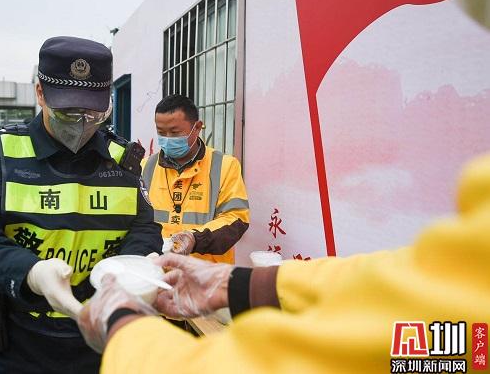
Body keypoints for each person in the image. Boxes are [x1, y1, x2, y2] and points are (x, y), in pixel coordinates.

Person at [76, 153, 490, 373]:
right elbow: (416, 286)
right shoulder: (462, 333)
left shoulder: (463, 339)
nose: (168, 139)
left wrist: (123, 324)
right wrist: (241, 285)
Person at [0, 36, 162, 374]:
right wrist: (30, 272)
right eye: (67, 111)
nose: (80, 122)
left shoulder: (123, 159)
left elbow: (144, 227)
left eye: (93, 113)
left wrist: (133, 268)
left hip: (102, 335)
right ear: (40, 93)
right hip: (20, 338)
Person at [141, 94, 250, 263]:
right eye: (161, 133)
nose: (167, 139)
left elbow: (236, 218)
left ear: (197, 127)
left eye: (175, 132)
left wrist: (195, 239)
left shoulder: (225, 166)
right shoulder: (145, 167)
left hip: (206, 273)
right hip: (157, 269)